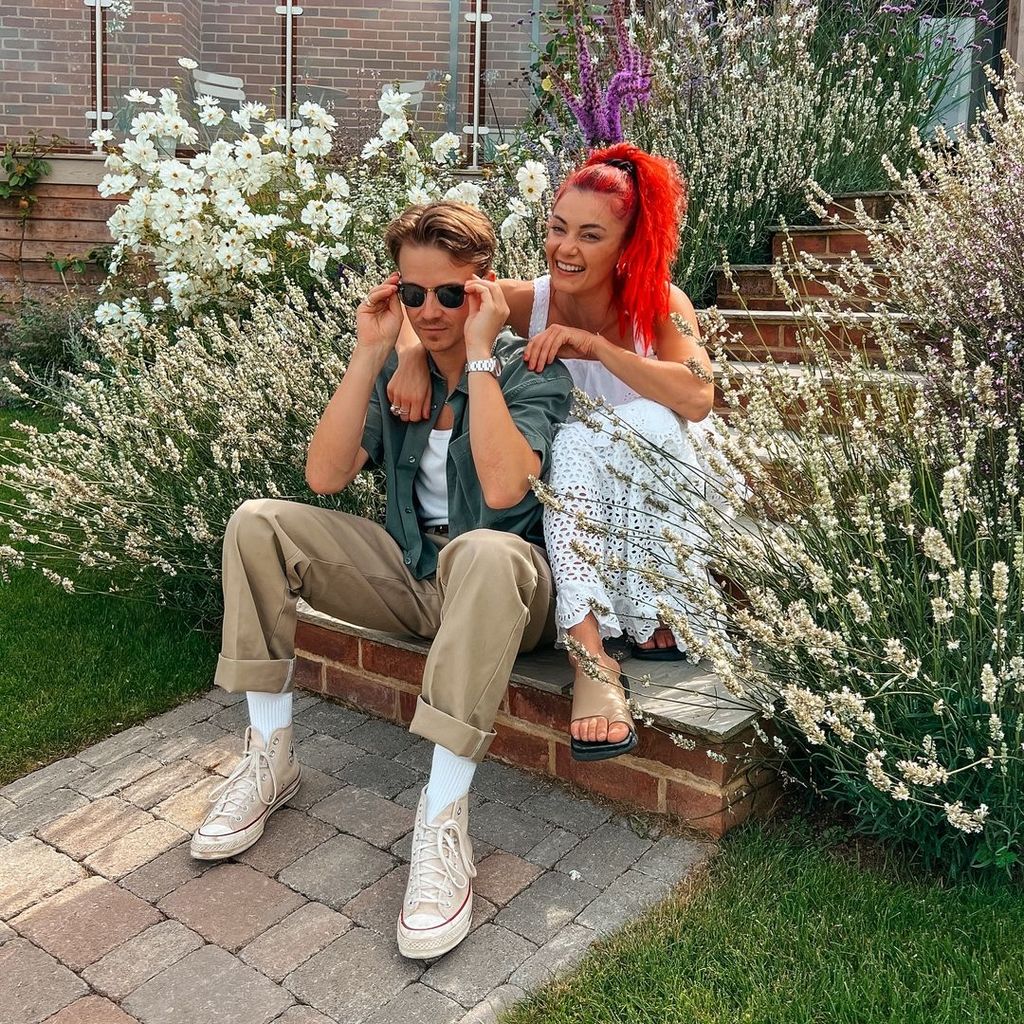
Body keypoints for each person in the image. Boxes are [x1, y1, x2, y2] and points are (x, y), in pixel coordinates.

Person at [190, 201, 573, 961]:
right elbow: (326, 476)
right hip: (410, 567)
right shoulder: (402, 367)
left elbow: (502, 494)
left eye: (450, 294)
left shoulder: (531, 370)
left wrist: (482, 357)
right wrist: (372, 354)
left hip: (506, 583)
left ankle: (442, 816)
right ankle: (270, 754)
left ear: (484, 290)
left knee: (486, 551)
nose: (431, 311)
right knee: (257, 520)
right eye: (413, 293)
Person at [388, 143, 731, 763]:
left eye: (590, 235)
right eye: (557, 228)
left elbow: (699, 396)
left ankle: (656, 608)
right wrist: (413, 355)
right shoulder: (531, 298)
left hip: (660, 473)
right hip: (572, 488)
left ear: (628, 245)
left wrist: (596, 348)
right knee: (571, 441)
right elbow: (437, 303)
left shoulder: (662, 305)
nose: (565, 248)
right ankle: (589, 654)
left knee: (639, 417)